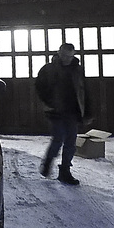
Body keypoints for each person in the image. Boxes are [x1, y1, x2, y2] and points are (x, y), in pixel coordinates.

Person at [35, 43, 91, 185]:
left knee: (71, 142)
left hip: (72, 111)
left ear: (73, 55)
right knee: (58, 138)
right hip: (55, 111)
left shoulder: (77, 70)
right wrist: (47, 103)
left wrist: (88, 112)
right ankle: (48, 162)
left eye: (70, 56)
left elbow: (84, 91)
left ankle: (65, 171)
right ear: (59, 53)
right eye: (65, 56)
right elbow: (39, 88)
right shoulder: (48, 69)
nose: (67, 59)